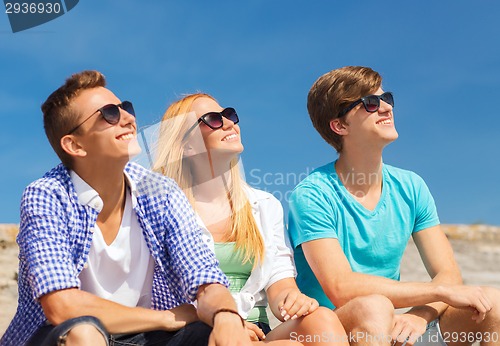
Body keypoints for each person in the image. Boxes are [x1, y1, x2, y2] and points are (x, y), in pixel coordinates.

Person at [0, 71, 253, 346]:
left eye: (126, 109)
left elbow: (205, 278)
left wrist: (226, 316)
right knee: (84, 333)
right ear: (75, 144)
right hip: (60, 336)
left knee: (211, 333)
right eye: (109, 114)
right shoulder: (47, 195)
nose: (129, 118)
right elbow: (62, 306)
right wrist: (166, 318)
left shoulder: (161, 192)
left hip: (143, 338)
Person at [288, 66, 500, 345]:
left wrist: (419, 315)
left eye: (386, 98)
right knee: (373, 307)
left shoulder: (411, 186)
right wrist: (438, 292)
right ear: (340, 126)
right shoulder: (312, 194)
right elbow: (341, 287)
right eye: (371, 103)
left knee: (493, 302)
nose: (386, 108)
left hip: (390, 328)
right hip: (337, 330)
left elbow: (449, 275)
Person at [151, 93, 349, 346]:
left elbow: (280, 281)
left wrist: (292, 299)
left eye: (230, 115)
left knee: (320, 318)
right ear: (187, 145)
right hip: (194, 330)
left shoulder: (265, 205)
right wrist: (226, 322)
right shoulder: (162, 207)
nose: (229, 123)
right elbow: (161, 296)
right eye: (212, 119)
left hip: (257, 329)